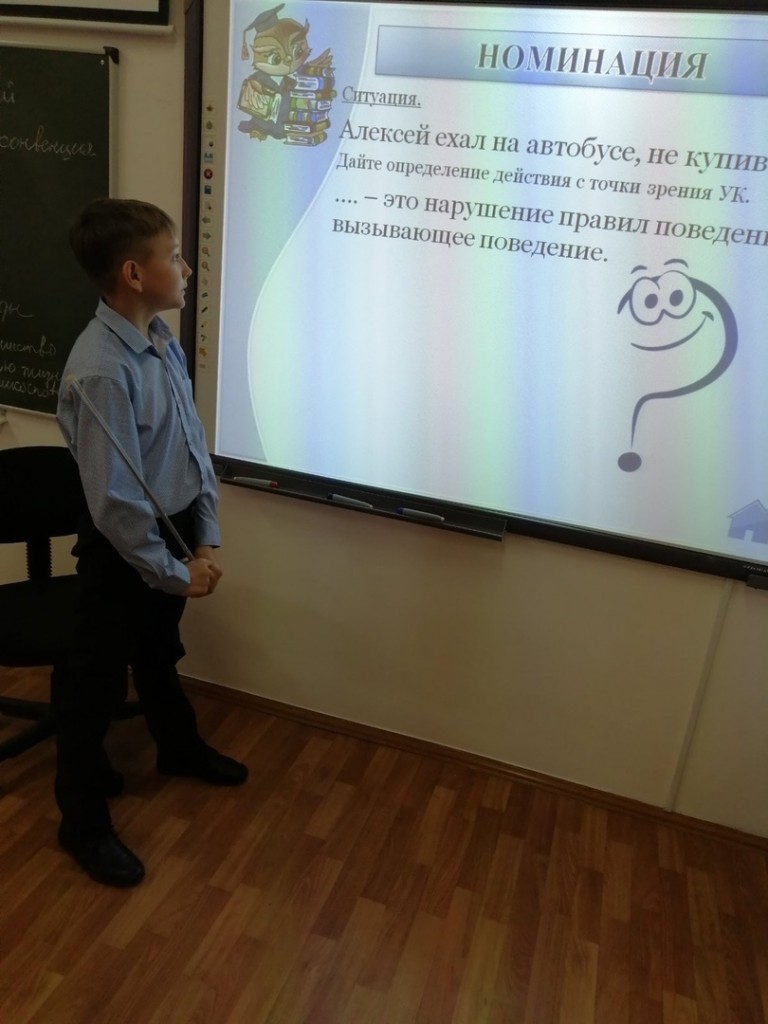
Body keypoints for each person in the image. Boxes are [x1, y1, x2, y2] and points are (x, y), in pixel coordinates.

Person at [54, 197, 247, 888]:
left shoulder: (161, 340)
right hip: (125, 551)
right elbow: (115, 503)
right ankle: (80, 820)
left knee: (160, 653)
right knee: (95, 687)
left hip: (173, 532)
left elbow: (190, 446)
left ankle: (178, 748)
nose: (186, 269)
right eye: (174, 256)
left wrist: (205, 537)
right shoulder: (101, 370)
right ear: (133, 274)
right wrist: (171, 571)